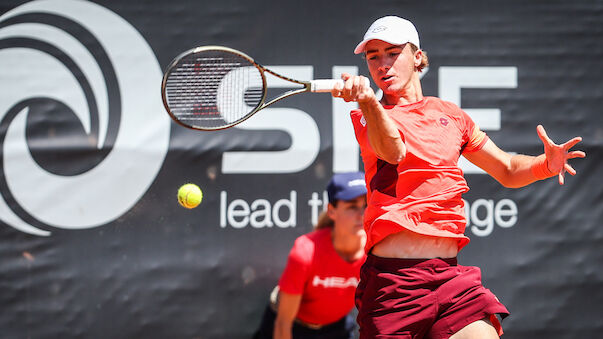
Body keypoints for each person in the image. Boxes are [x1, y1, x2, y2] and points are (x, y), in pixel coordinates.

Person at [330, 16, 586, 339]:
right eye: (374, 56)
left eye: (393, 53)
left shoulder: (451, 116)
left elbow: (506, 168)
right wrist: (368, 101)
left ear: (418, 56)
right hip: (394, 288)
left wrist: (544, 165)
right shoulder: (369, 115)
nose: (383, 64)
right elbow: (392, 150)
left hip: (450, 279)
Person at [253, 172, 368, 339]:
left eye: (366, 205)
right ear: (331, 211)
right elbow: (283, 323)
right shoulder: (306, 251)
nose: (361, 214)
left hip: (336, 328)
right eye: (352, 207)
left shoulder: (375, 253)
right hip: (292, 328)